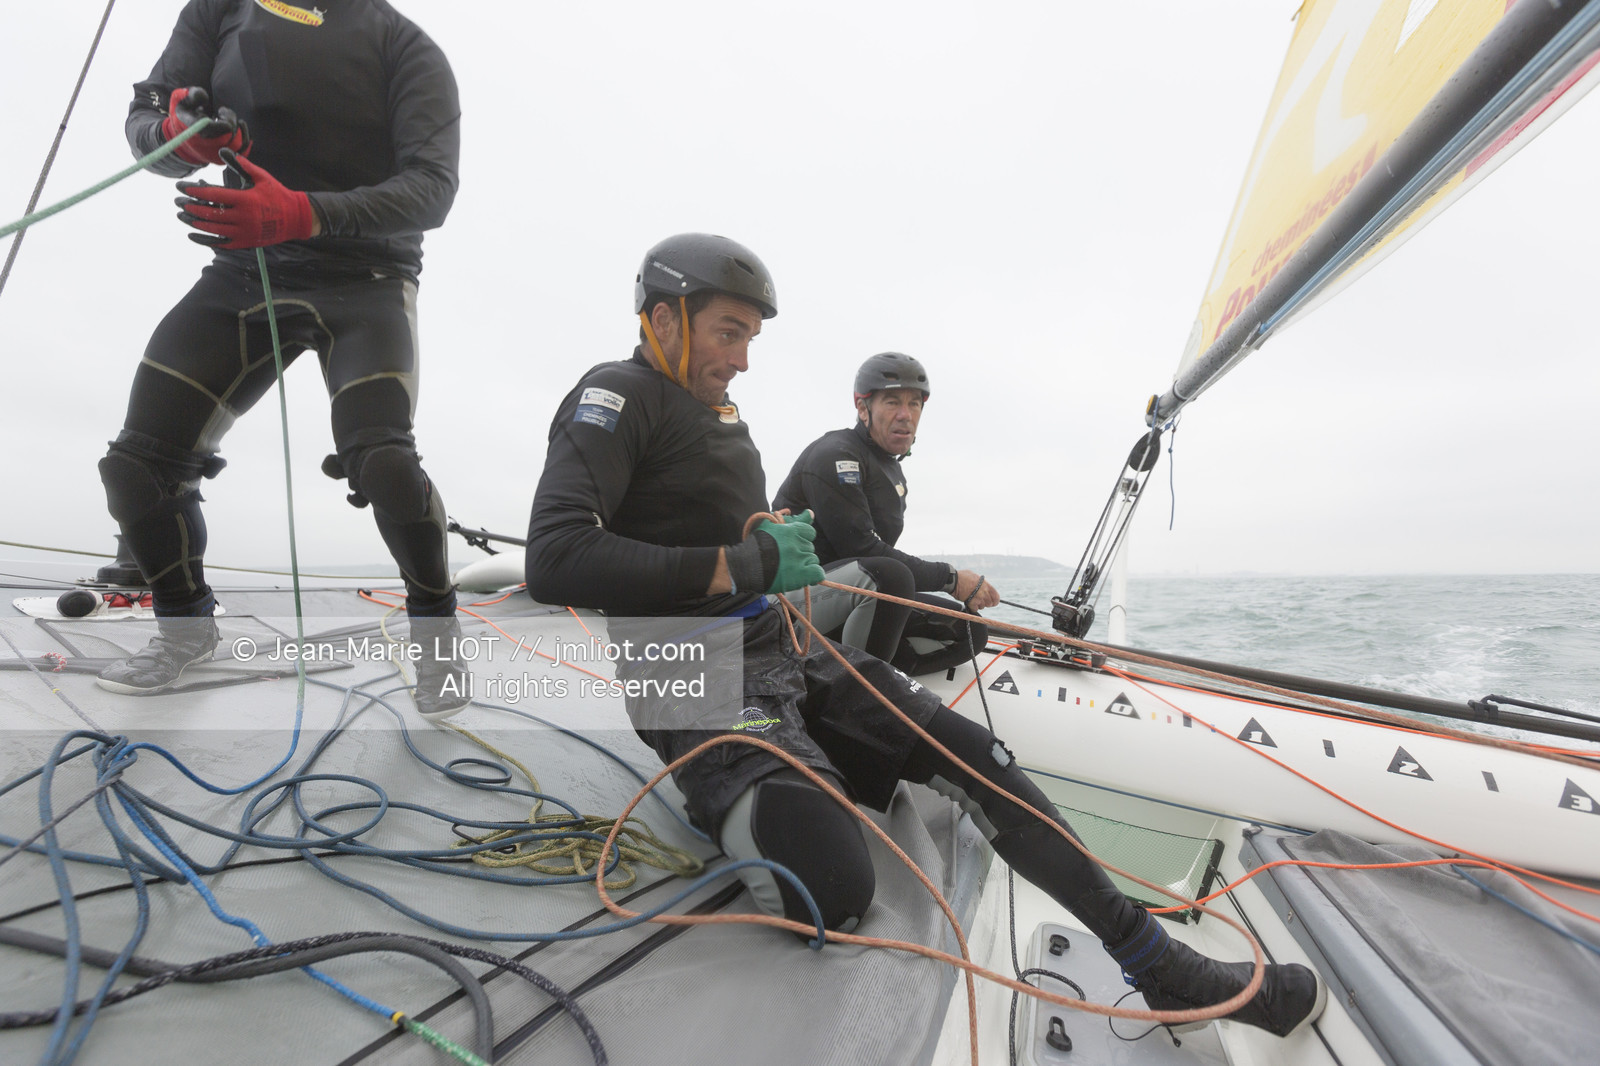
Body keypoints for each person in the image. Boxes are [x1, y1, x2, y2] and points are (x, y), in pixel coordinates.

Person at [524, 233, 1325, 1037]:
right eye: (728, 333)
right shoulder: (615, 395)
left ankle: (1159, 965)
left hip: (782, 646)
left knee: (981, 758)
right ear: (665, 319)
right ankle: (735, 787)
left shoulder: (717, 412)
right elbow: (555, 556)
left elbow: (719, 529)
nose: (741, 359)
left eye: (749, 339)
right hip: (691, 672)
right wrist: (739, 563)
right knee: (834, 890)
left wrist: (771, 551)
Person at [94, 0, 469, 719]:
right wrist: (179, 136)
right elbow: (147, 129)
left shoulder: (406, 46)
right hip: (246, 273)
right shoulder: (218, 10)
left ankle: (437, 631)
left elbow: (434, 188)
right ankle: (184, 629)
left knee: (384, 462)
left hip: (368, 282)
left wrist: (305, 212)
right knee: (136, 465)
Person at [772, 353, 998, 674]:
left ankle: (888, 680)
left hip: (855, 597)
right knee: (889, 577)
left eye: (915, 404)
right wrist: (950, 579)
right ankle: (854, 696)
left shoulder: (888, 466)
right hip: (790, 602)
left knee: (969, 631)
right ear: (862, 408)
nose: (906, 415)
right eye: (892, 402)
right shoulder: (837, 454)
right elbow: (861, 550)